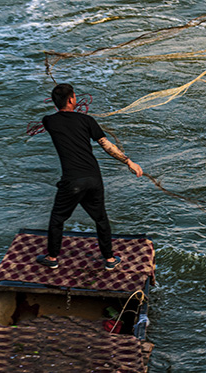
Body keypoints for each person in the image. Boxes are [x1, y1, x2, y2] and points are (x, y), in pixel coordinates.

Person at [36, 83, 143, 270]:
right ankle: (109, 260)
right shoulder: (87, 121)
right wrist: (129, 162)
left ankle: (52, 258)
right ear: (71, 99)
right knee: (100, 219)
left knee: (58, 219)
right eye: (74, 96)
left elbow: (58, 120)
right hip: (94, 178)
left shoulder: (49, 121)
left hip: (72, 181)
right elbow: (107, 146)